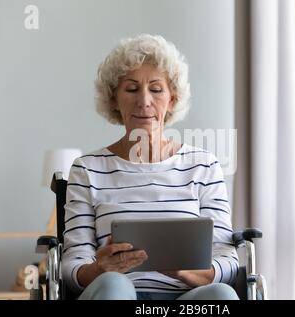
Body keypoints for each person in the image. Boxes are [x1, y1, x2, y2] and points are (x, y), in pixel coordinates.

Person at [62, 34, 239, 300]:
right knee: (114, 286)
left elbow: (227, 258)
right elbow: (71, 267)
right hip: (112, 294)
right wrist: (99, 269)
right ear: (113, 99)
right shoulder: (87, 170)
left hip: (185, 299)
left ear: (172, 99)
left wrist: (187, 272)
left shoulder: (204, 166)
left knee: (222, 296)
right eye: (131, 89)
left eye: (156, 89)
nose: (144, 101)